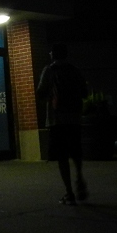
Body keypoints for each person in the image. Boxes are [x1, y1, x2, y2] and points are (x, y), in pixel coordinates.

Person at [35, 43, 88, 205]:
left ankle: (69, 192)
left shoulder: (49, 70)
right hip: (74, 119)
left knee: (62, 156)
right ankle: (79, 176)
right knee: (76, 152)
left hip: (56, 120)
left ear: (53, 54)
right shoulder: (74, 70)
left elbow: (40, 92)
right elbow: (84, 93)